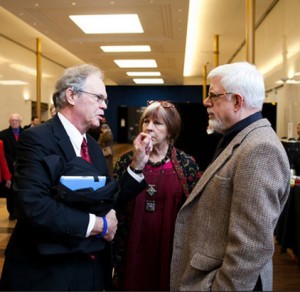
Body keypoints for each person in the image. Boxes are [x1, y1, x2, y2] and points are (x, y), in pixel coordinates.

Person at [170, 62, 291, 291]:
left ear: (237, 101)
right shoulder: (240, 139)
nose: (206, 102)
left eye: (213, 95)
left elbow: (251, 247)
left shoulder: (259, 149)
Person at [0, 64, 119, 291]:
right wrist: (99, 225)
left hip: (90, 272)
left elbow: (103, 197)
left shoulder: (93, 147)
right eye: (99, 98)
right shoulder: (36, 139)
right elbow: (33, 205)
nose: (105, 105)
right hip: (46, 273)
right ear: (72, 95)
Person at [112, 100, 201, 291]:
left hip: (170, 248)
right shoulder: (127, 161)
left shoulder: (186, 164)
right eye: (146, 122)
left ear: (170, 130)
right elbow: (115, 202)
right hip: (131, 247)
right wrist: (136, 164)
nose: (149, 127)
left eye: (157, 123)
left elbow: (196, 212)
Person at [0, 113, 23, 220]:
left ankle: (22, 212)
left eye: (16, 120)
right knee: (10, 192)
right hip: (9, 168)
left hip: (24, 167)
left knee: (23, 191)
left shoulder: (26, 133)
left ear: (20, 122)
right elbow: (3, 153)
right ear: (9, 122)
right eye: (12, 120)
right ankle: (12, 213)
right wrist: (13, 162)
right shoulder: (3, 134)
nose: (14, 122)